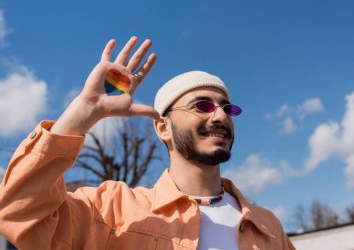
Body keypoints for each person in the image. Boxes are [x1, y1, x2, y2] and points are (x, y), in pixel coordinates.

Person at [0, 36, 295, 250]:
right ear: (163, 127)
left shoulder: (269, 226)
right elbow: (17, 211)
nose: (220, 115)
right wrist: (82, 113)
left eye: (227, 108)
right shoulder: (109, 210)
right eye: (202, 106)